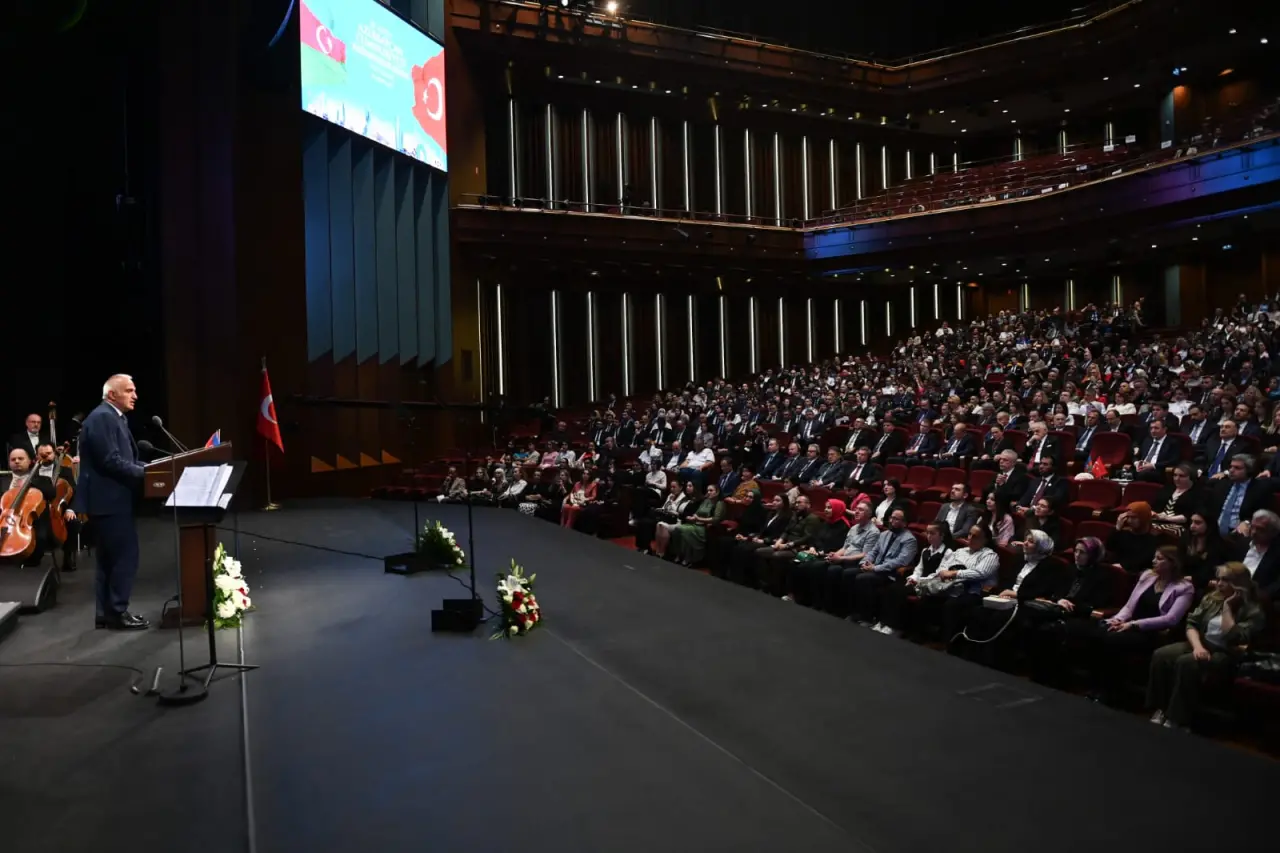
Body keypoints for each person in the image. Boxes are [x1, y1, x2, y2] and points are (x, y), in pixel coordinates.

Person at [1066, 545, 1196, 705]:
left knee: (1112, 640)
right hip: (1128, 624)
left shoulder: (1184, 588)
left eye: (1160, 559)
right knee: (1097, 633)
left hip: (1152, 632)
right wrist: (1116, 620)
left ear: (1173, 563)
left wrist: (1134, 624)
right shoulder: (1148, 576)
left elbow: (1171, 619)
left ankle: (1110, 691)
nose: (1154, 561)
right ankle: (1095, 686)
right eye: (1155, 557)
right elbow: (1129, 606)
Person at [1146, 562, 1266, 730]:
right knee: (1161, 655)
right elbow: (1192, 624)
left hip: (1226, 653)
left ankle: (1178, 719)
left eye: (1225, 580)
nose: (1219, 584)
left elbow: (1235, 637)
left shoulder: (1253, 610)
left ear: (1240, 583)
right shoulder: (1212, 598)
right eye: (1218, 579)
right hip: (1201, 643)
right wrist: (1198, 647)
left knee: (1186, 663)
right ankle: (1161, 708)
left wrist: (1227, 608)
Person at [73, 374, 148, 630]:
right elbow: (111, 461)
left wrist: (151, 468)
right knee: (124, 557)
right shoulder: (104, 417)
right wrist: (148, 473)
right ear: (112, 394)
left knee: (109, 559)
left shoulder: (113, 416)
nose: (135, 395)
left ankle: (106, 613)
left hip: (109, 501)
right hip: (110, 501)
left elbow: (123, 459)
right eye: (129, 390)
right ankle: (117, 612)